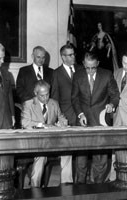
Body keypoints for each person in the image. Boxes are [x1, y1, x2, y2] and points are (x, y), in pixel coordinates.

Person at [71, 52, 120, 184]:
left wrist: (111, 105)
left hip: (101, 120)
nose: (91, 70)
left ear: (97, 64)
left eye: (93, 67)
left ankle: (99, 187)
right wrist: (80, 114)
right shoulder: (77, 75)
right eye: (88, 67)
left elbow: (115, 95)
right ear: (84, 64)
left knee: (100, 158)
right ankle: (80, 188)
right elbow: (74, 98)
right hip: (83, 120)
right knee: (81, 159)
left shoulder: (107, 74)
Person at [21, 80, 71, 187]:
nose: (45, 98)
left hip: (53, 142)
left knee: (68, 152)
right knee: (41, 155)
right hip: (36, 143)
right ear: (35, 93)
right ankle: (35, 188)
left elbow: (61, 117)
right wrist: (43, 125)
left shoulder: (54, 103)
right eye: (42, 95)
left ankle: (66, 186)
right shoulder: (28, 104)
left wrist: (63, 123)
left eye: (47, 94)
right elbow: (25, 123)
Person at [51, 44, 80, 185]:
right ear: (63, 57)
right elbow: (55, 98)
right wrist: (59, 117)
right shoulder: (56, 73)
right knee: (67, 151)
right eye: (70, 55)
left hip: (81, 115)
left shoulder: (81, 69)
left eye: (74, 54)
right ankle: (67, 183)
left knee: (82, 151)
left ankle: (81, 182)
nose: (73, 57)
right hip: (66, 116)